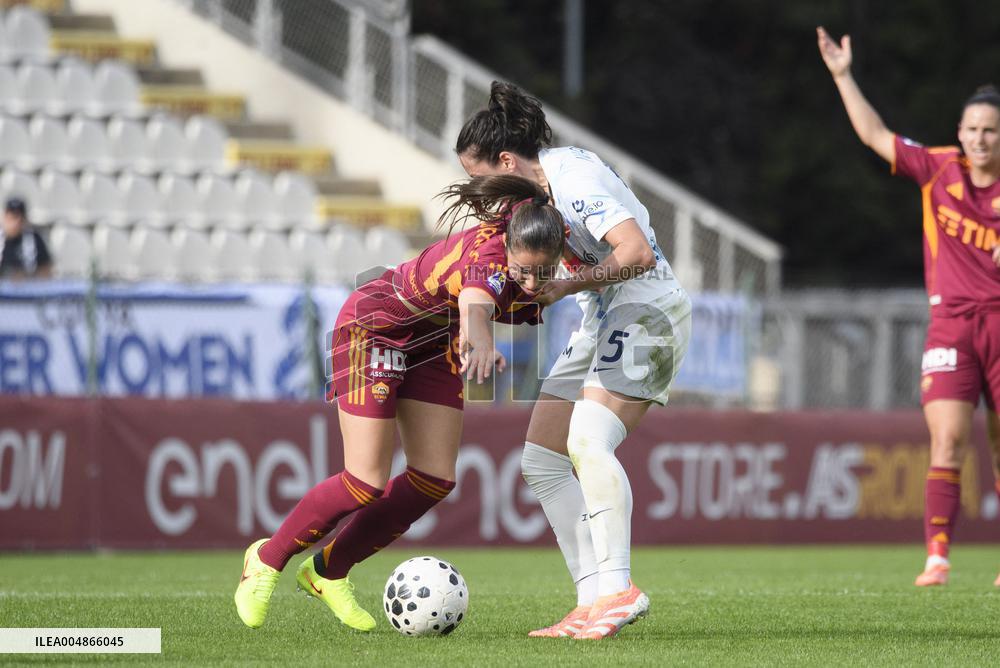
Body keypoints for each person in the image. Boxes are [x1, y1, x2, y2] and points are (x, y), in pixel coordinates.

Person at [234, 174, 565, 630]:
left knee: (434, 478)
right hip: (375, 329)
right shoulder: (488, 258)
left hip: (431, 343)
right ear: (506, 249)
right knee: (364, 480)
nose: (530, 282)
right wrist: (482, 341)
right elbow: (474, 303)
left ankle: (327, 571)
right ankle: (266, 560)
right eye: (521, 270)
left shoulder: (540, 226)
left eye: (541, 272)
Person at [456, 82, 692, 639]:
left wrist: (565, 286)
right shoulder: (538, 195)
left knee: (587, 440)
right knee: (541, 460)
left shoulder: (574, 181)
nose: (480, 192)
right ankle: (591, 601)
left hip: (647, 309)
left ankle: (618, 590)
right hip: (602, 314)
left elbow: (635, 252)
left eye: (480, 177)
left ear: (508, 161)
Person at [818, 27, 1000, 587]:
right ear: (959, 133)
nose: (980, 140)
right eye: (972, 129)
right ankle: (938, 556)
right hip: (950, 325)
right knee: (946, 438)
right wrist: (844, 76)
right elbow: (875, 135)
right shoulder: (939, 169)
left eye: (990, 131)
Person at [0, 197, 52, 280]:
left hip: (28, 289)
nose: (16, 222)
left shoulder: (34, 239)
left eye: (20, 218)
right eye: (13, 217)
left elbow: (46, 270)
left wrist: (26, 276)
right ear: (5, 217)